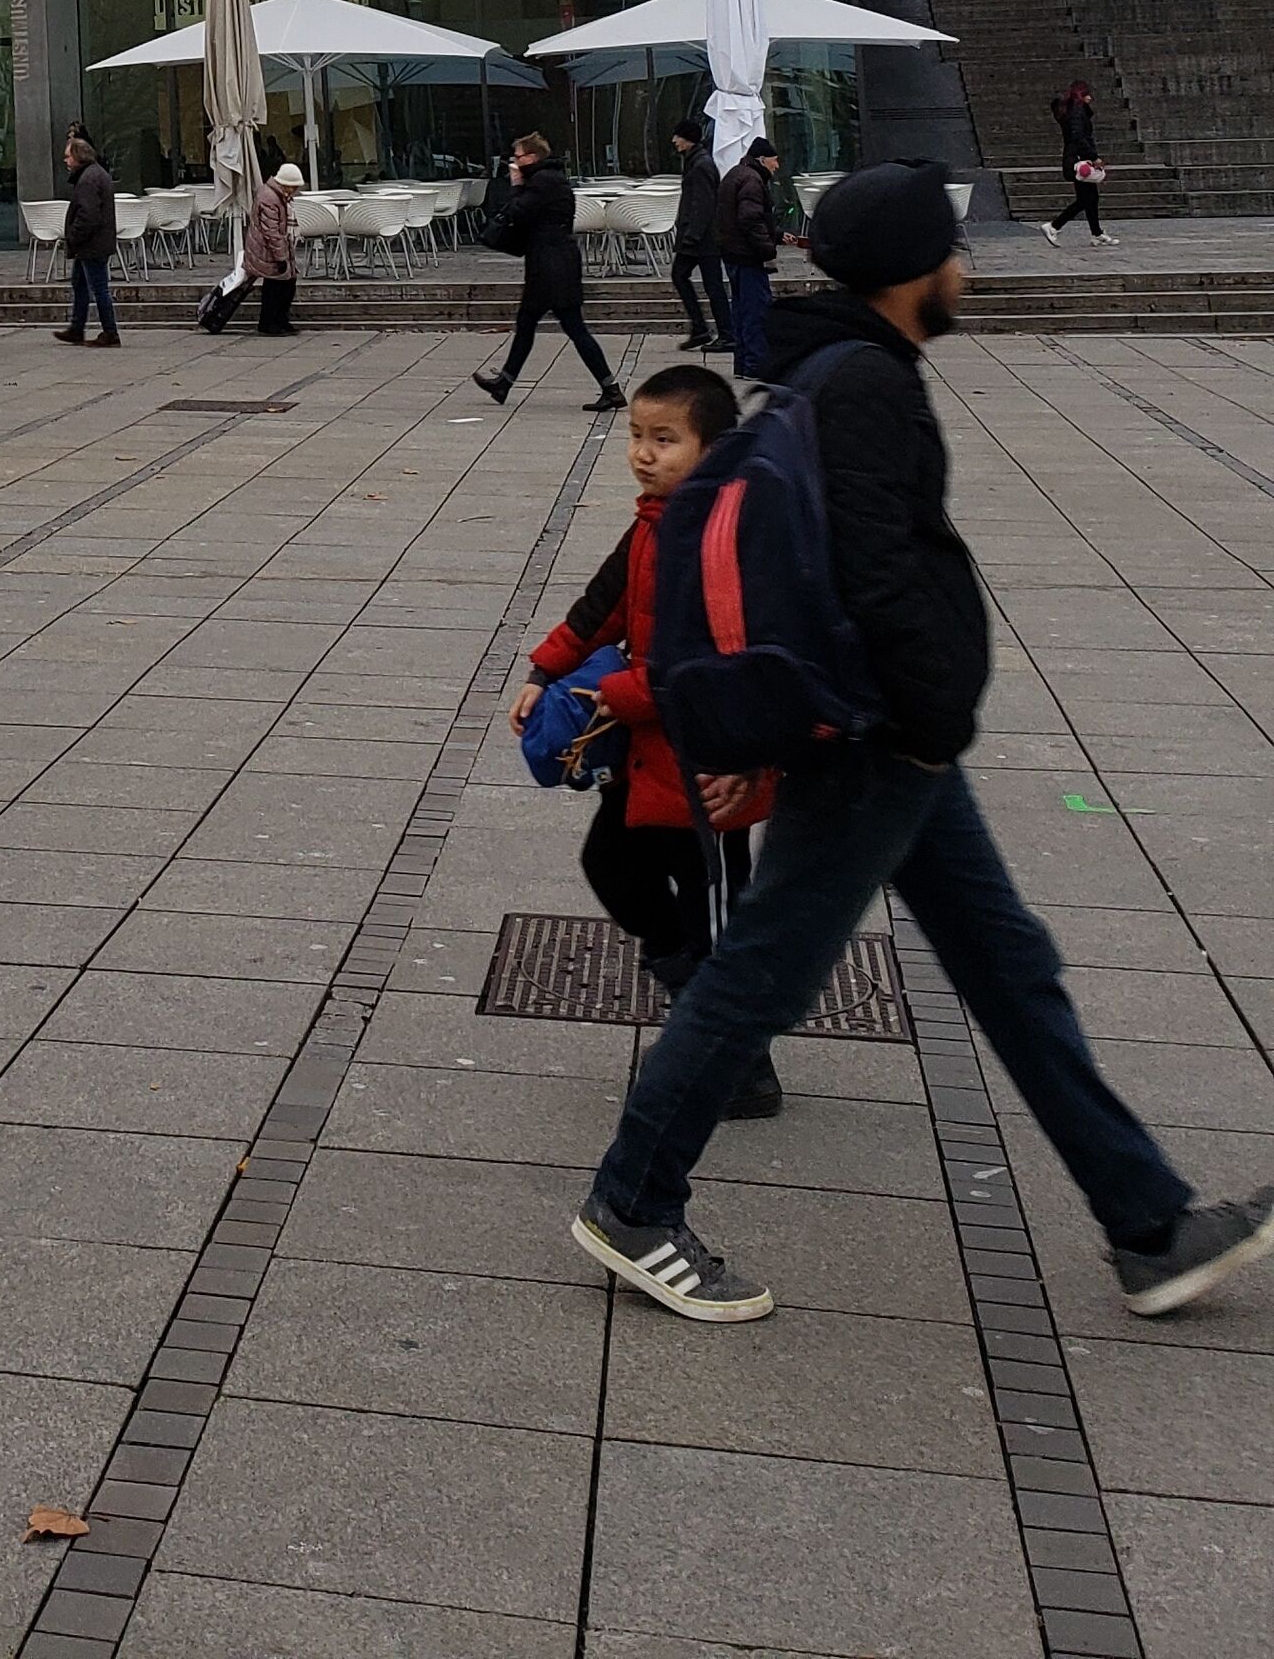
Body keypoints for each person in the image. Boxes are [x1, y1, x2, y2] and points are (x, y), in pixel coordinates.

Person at [571, 158, 1274, 1327]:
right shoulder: (862, 387)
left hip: (885, 732)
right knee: (761, 976)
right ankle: (633, 1203)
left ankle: (1147, 1221)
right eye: (950, 251)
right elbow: (875, 575)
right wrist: (925, 719)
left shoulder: (836, 372)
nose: (964, 267)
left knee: (1008, 964)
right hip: (878, 736)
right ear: (909, 271)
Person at [513, 365, 777, 1118]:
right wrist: (545, 669)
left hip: (708, 766)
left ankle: (744, 1065)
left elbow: (717, 658)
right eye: (636, 435)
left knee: (712, 909)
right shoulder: (653, 522)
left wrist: (620, 694)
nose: (643, 453)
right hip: (645, 757)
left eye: (665, 439)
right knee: (610, 863)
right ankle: (696, 1007)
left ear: (714, 448)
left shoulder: (721, 533)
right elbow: (603, 606)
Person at [476, 135, 620, 411]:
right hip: (552, 263)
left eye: (517, 157)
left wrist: (517, 184)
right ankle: (504, 382)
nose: (513, 162)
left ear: (531, 158)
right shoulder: (550, 179)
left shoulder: (543, 182)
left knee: (574, 329)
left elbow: (518, 212)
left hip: (552, 267)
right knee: (527, 325)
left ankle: (611, 388)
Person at [716, 135, 781, 378]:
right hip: (748, 257)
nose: (777, 166)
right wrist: (767, 248)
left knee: (741, 312)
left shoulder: (736, 174)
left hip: (733, 255)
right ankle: (755, 366)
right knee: (756, 312)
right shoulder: (753, 181)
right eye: (775, 161)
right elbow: (750, 219)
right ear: (763, 160)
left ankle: (743, 365)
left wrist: (777, 235)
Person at [666, 120, 728, 356]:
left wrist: (692, 235)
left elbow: (702, 204)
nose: (674, 141)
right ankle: (703, 328)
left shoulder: (701, 165)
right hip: (699, 236)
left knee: (711, 285)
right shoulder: (696, 162)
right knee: (687, 277)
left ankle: (723, 332)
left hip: (702, 238)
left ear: (688, 138)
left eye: (678, 136)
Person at [54, 129, 119, 348]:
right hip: (93, 243)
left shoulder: (88, 179)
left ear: (79, 157)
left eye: (68, 156)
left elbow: (88, 215)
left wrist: (73, 236)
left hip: (92, 244)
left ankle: (110, 332)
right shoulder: (95, 174)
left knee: (99, 288)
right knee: (80, 284)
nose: (65, 160)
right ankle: (76, 327)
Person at [1042, 80, 1115, 247]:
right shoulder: (1077, 112)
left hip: (1077, 159)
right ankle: (1054, 226)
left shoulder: (1074, 111)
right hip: (1079, 160)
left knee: (1091, 197)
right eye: (1087, 94)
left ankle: (1096, 233)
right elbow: (1079, 138)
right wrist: (1094, 157)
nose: (1090, 98)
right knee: (1085, 199)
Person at [242, 161, 304, 335]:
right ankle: (270, 322)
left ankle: (280, 320)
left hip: (274, 248)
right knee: (276, 287)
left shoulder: (277, 195)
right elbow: (272, 232)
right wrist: (281, 256)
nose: (294, 191)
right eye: (292, 186)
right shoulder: (270, 198)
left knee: (286, 284)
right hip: (266, 250)